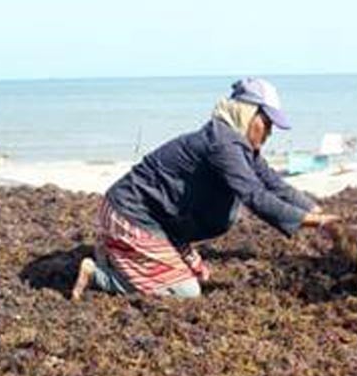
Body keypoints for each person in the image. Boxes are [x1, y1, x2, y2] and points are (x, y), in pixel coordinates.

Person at [71, 77, 343, 300]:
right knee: (184, 291)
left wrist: (319, 212)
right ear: (248, 113)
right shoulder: (223, 145)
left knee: (200, 274)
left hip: (159, 221)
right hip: (130, 214)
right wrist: (316, 224)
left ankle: (117, 252)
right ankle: (99, 274)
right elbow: (255, 196)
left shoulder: (238, 145)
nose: (270, 132)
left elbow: (272, 182)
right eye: (267, 123)